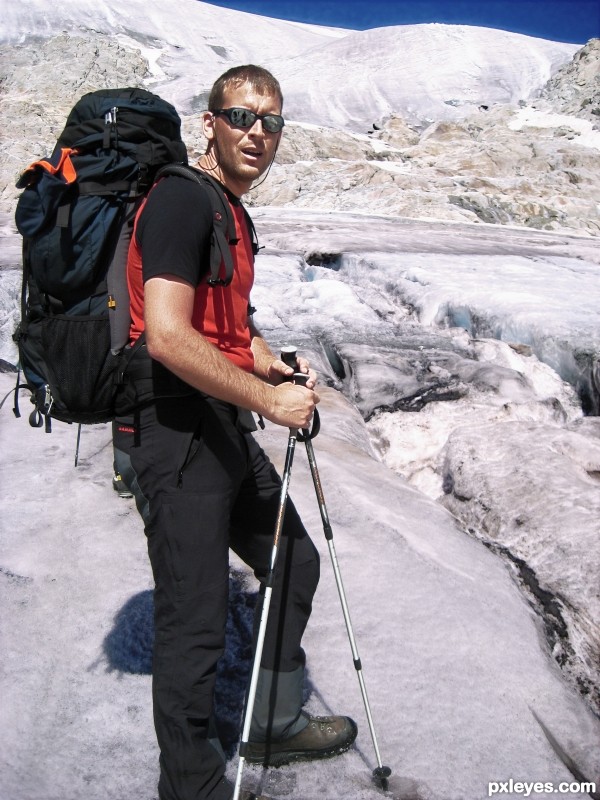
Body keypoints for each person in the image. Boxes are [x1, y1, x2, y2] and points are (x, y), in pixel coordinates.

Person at [117, 65, 357, 800]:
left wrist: (271, 367)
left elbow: (225, 328)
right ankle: (190, 786)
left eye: (272, 122)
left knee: (294, 560)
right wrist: (267, 399)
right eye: (242, 117)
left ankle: (274, 723)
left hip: (216, 418)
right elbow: (165, 334)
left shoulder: (228, 211)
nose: (258, 133)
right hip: (171, 424)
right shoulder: (181, 203)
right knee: (194, 622)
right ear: (210, 123)